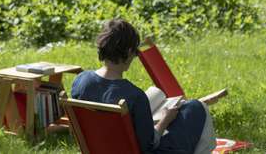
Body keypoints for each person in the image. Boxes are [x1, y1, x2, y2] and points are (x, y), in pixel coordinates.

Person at [71, 19, 216, 154]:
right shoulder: (134, 96)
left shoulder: (80, 81)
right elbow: (149, 146)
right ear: (129, 52)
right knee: (196, 108)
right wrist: (165, 120)